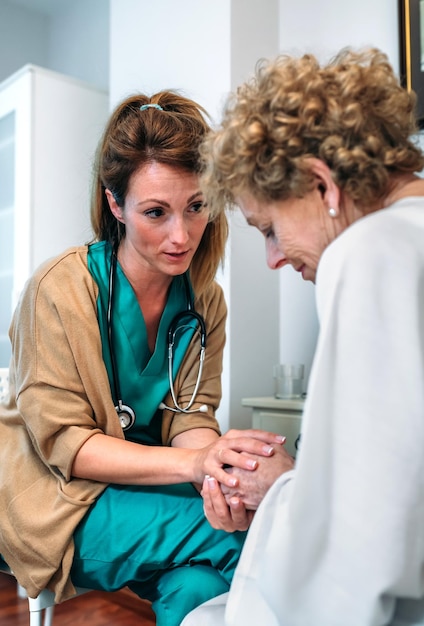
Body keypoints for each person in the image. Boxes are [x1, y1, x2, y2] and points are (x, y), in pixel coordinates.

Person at [0, 91, 293, 626]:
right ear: (115, 204)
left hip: (149, 487)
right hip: (60, 497)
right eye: (155, 213)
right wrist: (194, 464)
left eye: (197, 207)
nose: (181, 236)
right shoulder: (59, 289)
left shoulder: (204, 300)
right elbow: (65, 444)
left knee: (201, 586)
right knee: (255, 541)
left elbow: (190, 417)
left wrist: (221, 470)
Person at [181, 48, 424, 626]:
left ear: (322, 186)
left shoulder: (371, 253)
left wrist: (283, 488)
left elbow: (359, 550)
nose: (272, 258)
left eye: (269, 229)